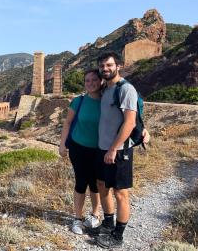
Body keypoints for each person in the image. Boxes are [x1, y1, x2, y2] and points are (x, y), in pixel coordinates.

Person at [91, 51, 141, 248]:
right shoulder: (105, 89)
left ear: (118, 66)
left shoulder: (126, 89)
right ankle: (108, 223)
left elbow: (129, 123)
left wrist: (113, 149)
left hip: (119, 151)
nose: (105, 69)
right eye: (102, 66)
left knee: (121, 193)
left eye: (109, 65)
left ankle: (118, 236)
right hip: (103, 148)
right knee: (102, 186)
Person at [59, 69, 103, 234]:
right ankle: (77, 218)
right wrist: (62, 144)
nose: (90, 83)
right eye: (87, 80)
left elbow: (132, 107)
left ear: (101, 81)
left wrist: (142, 130)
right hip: (78, 148)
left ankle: (95, 215)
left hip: (99, 149)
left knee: (97, 184)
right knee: (80, 182)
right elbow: (68, 123)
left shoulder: (107, 101)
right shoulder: (78, 101)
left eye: (94, 80)